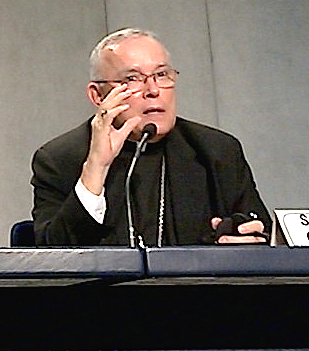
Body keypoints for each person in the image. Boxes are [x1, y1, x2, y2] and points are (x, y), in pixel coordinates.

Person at [31, 29, 269, 246]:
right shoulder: (59, 159)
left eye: (162, 74)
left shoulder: (217, 151)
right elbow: (54, 257)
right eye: (132, 79)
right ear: (98, 96)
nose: (153, 90)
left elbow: (264, 234)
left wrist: (246, 236)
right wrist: (96, 167)